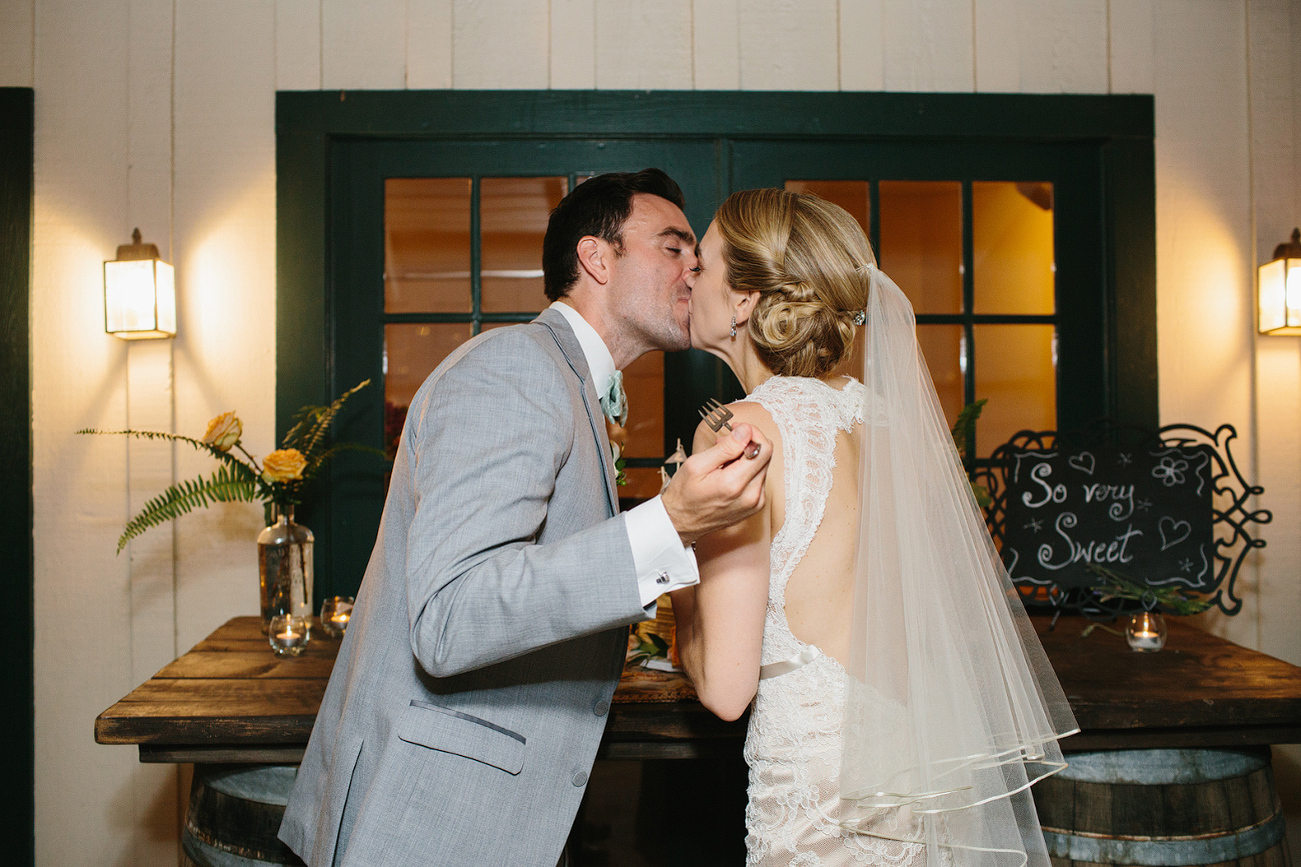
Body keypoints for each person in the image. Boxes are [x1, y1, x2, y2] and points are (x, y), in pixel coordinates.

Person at [278, 169, 773, 867]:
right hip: (428, 822)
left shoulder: (568, 385)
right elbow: (449, 617)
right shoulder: (514, 368)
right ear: (596, 259)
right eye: (672, 247)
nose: (695, 267)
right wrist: (668, 523)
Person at [672, 188, 1077, 867]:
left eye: (703, 262)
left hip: (818, 782)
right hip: (913, 759)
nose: (688, 275)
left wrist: (679, 557)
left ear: (744, 298)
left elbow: (724, 687)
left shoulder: (735, 432)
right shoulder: (887, 421)